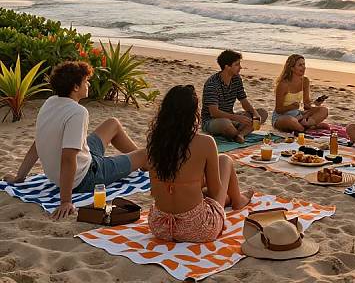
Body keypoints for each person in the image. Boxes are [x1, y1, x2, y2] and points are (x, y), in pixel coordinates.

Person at [3, 61, 147, 220]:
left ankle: (140, 162)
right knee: (146, 153)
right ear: (76, 87)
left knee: (112, 124)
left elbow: (38, 143)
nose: (89, 84)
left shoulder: (49, 103)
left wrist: (20, 177)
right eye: (86, 81)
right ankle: (143, 161)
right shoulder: (78, 112)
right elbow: (68, 158)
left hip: (79, 163)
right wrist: (65, 201)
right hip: (86, 178)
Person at [147, 84, 253, 242]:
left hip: (160, 225)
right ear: (194, 114)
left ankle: (234, 199)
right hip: (197, 227)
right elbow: (215, 190)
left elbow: (155, 191)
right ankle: (238, 200)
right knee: (225, 160)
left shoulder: (154, 141)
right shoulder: (205, 142)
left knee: (188, 185)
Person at [201, 50, 268, 143]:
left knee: (262, 113)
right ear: (227, 67)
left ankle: (239, 134)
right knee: (225, 123)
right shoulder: (212, 84)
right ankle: (238, 133)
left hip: (231, 117)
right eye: (237, 64)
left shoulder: (236, 79)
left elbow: (244, 101)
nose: (240, 67)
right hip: (212, 121)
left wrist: (255, 113)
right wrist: (236, 118)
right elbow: (214, 113)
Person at [272, 54, 329, 132]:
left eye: (304, 64)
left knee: (324, 110)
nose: (304, 67)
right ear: (292, 68)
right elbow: (278, 109)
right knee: (291, 121)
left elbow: (306, 106)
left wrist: (316, 103)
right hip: (282, 117)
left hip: (298, 115)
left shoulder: (305, 81)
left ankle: (304, 126)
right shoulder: (283, 84)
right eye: (300, 65)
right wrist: (291, 107)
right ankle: (306, 127)